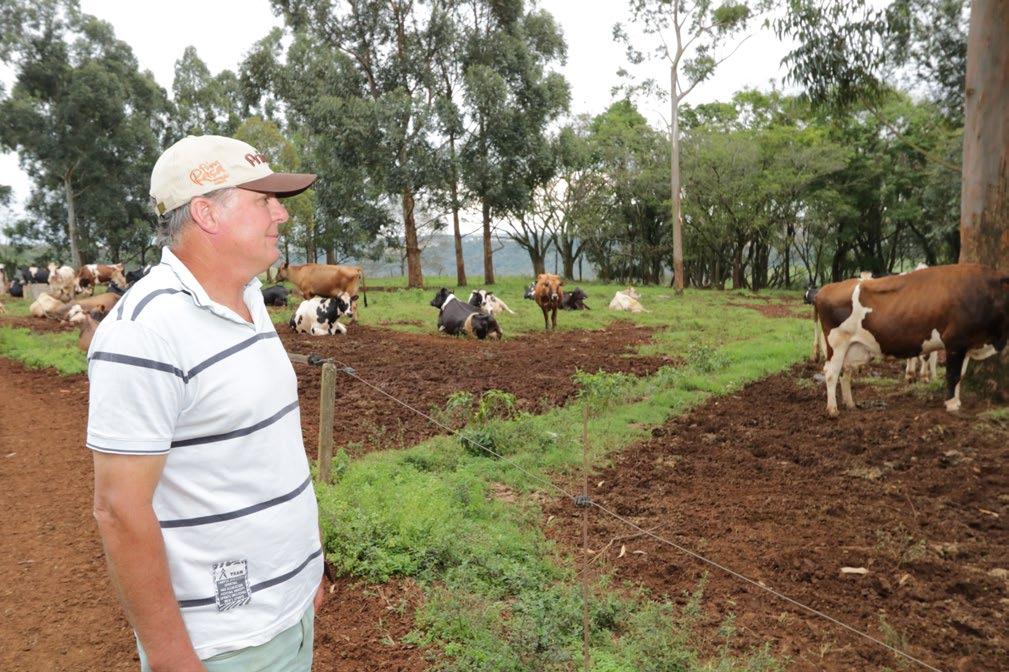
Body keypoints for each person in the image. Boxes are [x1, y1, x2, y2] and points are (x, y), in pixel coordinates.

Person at [87, 135, 324, 671]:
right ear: (205, 213)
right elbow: (120, 512)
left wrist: (305, 569)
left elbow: (267, 451)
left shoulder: (248, 298)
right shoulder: (142, 333)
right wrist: (173, 659)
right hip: (223, 648)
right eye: (263, 199)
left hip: (290, 613)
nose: (280, 214)